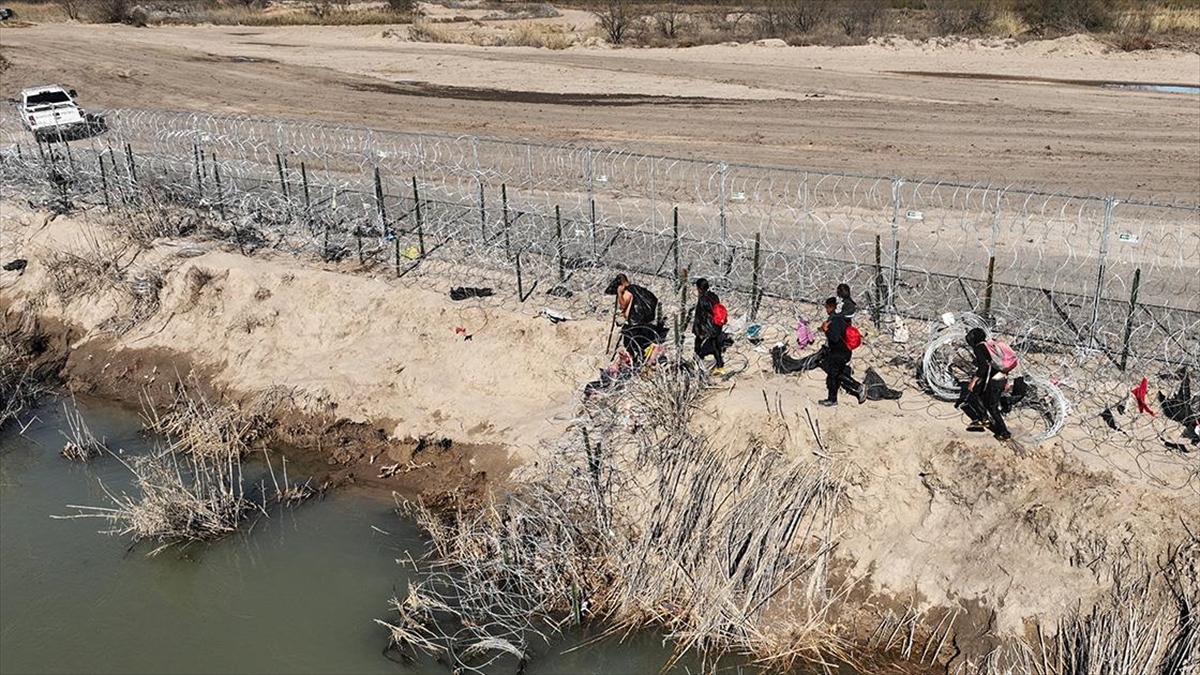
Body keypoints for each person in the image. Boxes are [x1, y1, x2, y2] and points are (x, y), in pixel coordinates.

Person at [960, 327, 1012, 441]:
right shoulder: (990, 345)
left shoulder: (979, 347)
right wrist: (1006, 380)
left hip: (995, 381)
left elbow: (983, 367)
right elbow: (1002, 363)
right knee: (977, 394)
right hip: (1000, 378)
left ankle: (1005, 433)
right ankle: (983, 418)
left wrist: (973, 381)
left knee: (992, 407)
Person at [817, 297, 865, 407]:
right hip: (845, 351)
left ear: (830, 307)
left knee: (834, 375)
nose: (826, 309)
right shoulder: (842, 318)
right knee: (837, 374)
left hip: (838, 353)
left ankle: (834, 399)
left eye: (826, 307)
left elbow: (834, 338)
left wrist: (826, 330)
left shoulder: (833, 320)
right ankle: (854, 388)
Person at [606, 273, 659, 366]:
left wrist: (619, 293)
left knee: (629, 344)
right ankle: (641, 361)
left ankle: (634, 363)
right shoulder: (636, 289)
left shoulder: (628, 292)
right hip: (642, 322)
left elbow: (623, 304)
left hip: (633, 324)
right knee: (639, 343)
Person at [692, 278, 725, 375]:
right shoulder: (714, 296)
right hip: (715, 325)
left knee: (698, 342)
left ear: (699, 289)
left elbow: (700, 317)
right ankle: (720, 366)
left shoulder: (702, 300)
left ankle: (696, 358)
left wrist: (698, 331)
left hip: (706, 327)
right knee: (715, 345)